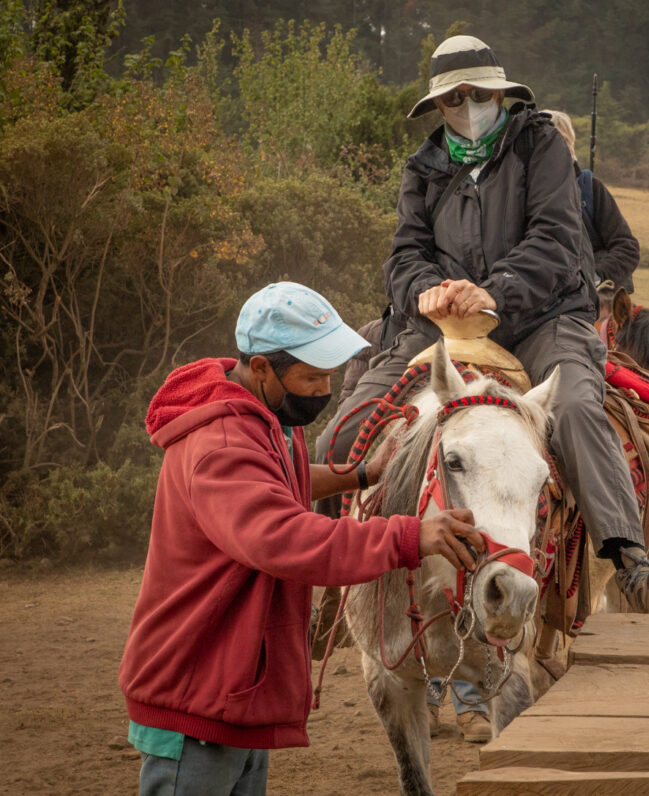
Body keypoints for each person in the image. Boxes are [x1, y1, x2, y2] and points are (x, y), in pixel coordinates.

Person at [315, 34, 649, 619]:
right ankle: (322, 580)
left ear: (501, 94)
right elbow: (405, 253)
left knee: (574, 406)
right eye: (454, 97)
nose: (467, 106)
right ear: (438, 106)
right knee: (344, 434)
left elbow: (558, 239)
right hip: (443, 325)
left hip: (542, 316)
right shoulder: (422, 168)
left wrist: (494, 290)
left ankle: (629, 558)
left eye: (479, 94)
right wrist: (427, 290)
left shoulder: (540, 146)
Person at [119, 282, 485, 796]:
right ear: (262, 368)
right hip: (196, 699)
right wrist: (408, 536)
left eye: (329, 376)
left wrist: (362, 474)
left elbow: (279, 478)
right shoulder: (220, 444)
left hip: (232, 689)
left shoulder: (264, 416)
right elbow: (285, 539)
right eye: (312, 377)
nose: (323, 390)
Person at [544, 109, 641, 292]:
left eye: (559, 143)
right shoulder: (520, 192)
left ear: (570, 148)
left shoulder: (589, 188)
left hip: (598, 298)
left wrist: (595, 277)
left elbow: (627, 248)